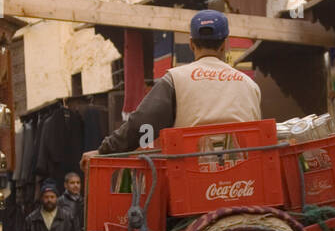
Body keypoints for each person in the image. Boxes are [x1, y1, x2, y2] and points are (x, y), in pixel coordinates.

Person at [96, 9, 261, 154]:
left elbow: (141, 125)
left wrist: (106, 149)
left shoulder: (175, 79)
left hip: (190, 178)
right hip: (244, 181)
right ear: (225, 44)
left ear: (191, 43)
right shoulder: (250, 85)